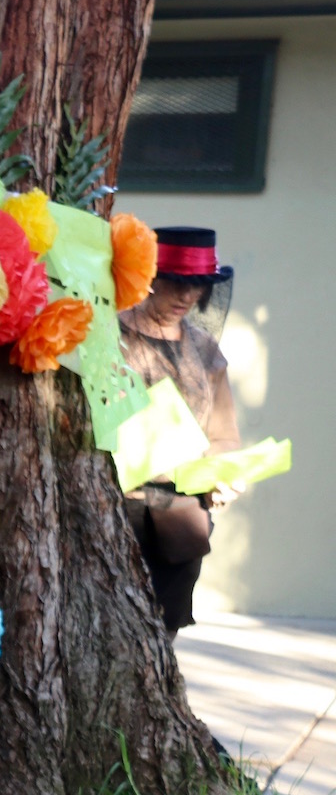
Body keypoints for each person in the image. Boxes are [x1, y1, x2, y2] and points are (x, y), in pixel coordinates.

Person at [119, 225, 241, 634]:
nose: (187, 296)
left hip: (182, 516)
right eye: (177, 283)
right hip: (116, 511)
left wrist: (222, 475)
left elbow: (223, 434)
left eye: (198, 286)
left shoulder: (205, 349)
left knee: (162, 633)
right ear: (150, 278)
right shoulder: (108, 337)